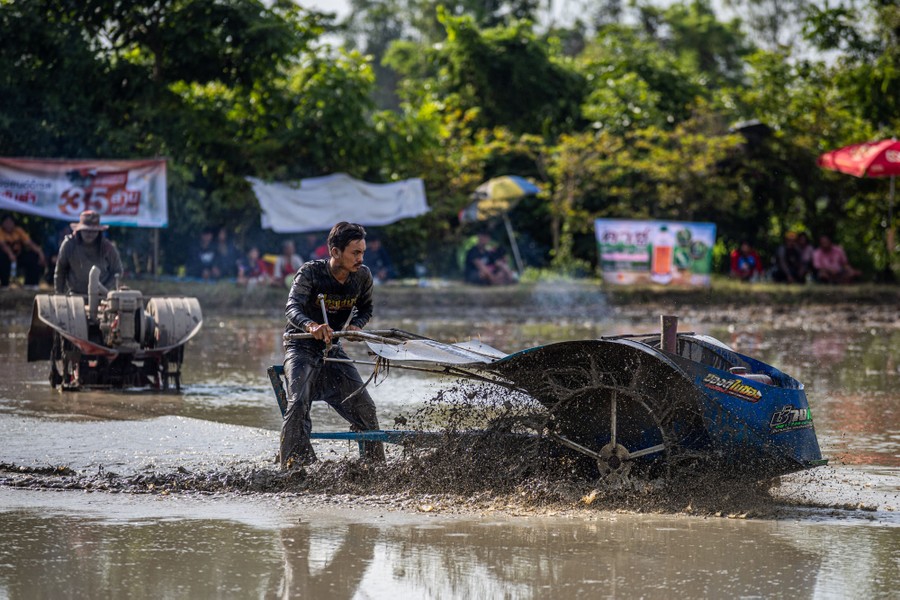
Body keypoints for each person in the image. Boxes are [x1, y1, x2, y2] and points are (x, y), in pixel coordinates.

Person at [280, 221, 385, 468]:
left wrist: (356, 325)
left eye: (362, 253)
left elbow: (366, 308)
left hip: (332, 349)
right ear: (335, 252)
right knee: (297, 404)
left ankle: (375, 467)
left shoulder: (362, 277)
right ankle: (293, 467)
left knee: (366, 407)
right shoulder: (310, 273)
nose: (360, 258)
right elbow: (291, 307)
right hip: (301, 347)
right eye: (355, 253)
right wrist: (311, 327)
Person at [54, 210, 123, 294]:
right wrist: (59, 294)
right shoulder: (69, 244)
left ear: (99, 231)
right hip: (76, 295)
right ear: (79, 230)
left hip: (102, 295)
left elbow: (117, 271)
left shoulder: (107, 247)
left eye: (93, 231)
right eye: (86, 230)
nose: (89, 234)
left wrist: (105, 288)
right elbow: (60, 271)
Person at [0, 214, 46, 289]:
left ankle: (31, 284)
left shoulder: (18, 231)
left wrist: (40, 253)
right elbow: (3, 245)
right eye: (6, 222)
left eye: (10, 222)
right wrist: (10, 254)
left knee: (32, 256)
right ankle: (5, 284)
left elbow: (29, 243)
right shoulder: (0, 231)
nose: (8, 224)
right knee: (2, 258)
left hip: (18, 255)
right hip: (5, 256)